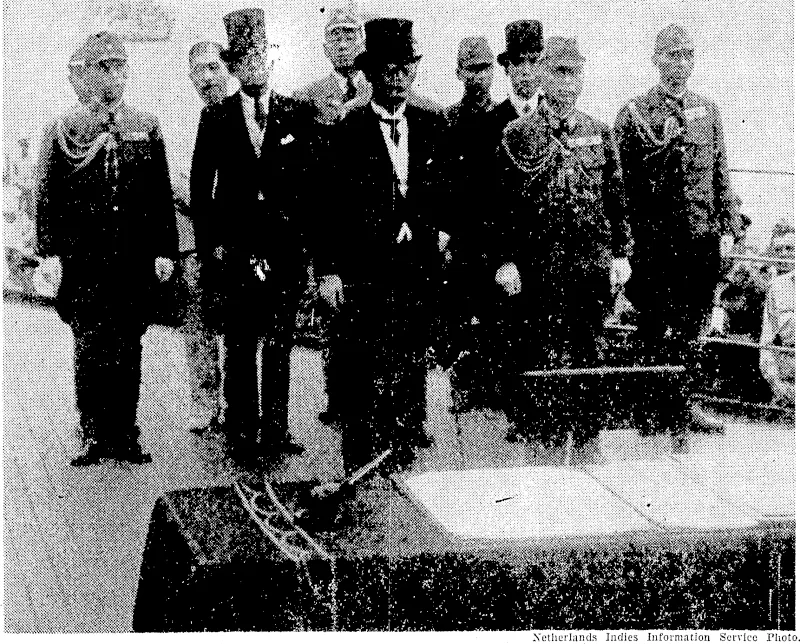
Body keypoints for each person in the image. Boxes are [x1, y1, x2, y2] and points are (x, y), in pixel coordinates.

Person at [35, 31, 178, 466]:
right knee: (89, 346)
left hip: (132, 259)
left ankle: (125, 433)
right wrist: (50, 253)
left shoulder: (145, 124)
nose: (114, 77)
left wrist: (165, 250)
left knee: (129, 344)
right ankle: (93, 433)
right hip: (85, 261)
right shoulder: (65, 128)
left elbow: (159, 193)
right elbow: (48, 196)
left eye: (120, 67)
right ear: (87, 75)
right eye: (104, 67)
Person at [313, 17, 447, 475]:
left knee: (410, 362)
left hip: (416, 267)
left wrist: (436, 229)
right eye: (387, 69)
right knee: (362, 368)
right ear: (369, 74)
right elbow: (326, 206)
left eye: (405, 68)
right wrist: (328, 271)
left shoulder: (432, 123)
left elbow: (446, 188)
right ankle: (361, 467)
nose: (397, 78)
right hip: (364, 272)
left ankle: (405, 462)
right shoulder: (346, 129)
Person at [489, 37, 632, 447]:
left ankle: (586, 434)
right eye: (560, 73)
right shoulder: (518, 134)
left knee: (589, 348)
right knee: (538, 348)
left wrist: (621, 253)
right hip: (538, 266)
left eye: (575, 73)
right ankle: (539, 436)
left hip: (589, 265)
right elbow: (499, 207)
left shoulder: (599, 133)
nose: (568, 83)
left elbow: (616, 199)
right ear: (542, 75)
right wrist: (505, 261)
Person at [190, 8, 308, 470]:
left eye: (260, 57)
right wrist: (211, 247)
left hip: (284, 248)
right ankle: (241, 432)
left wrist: (304, 248)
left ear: (271, 61)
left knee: (279, 342)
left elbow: (309, 186)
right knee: (239, 342)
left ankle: (276, 430)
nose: (253, 67)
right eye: (243, 60)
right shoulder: (216, 117)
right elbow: (201, 189)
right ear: (234, 68)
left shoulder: (296, 113)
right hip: (236, 249)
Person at [614, 24, 743, 435]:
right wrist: (625, 243)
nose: (680, 64)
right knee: (653, 324)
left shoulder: (708, 111)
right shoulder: (634, 112)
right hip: (655, 242)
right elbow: (621, 184)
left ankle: (684, 405)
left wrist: (728, 227)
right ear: (656, 60)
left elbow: (720, 173)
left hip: (700, 238)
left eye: (687, 55)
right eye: (672, 55)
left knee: (692, 325)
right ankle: (648, 409)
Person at [181, 41, 233, 434]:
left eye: (213, 67)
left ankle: (238, 401)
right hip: (194, 238)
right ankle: (205, 401)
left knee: (238, 322)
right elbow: (180, 185)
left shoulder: (245, 113)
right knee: (198, 322)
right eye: (198, 70)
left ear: (227, 69)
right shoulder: (188, 121)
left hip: (235, 238)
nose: (206, 78)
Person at [759, 224, 795, 407]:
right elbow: (767, 340)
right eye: (778, 250)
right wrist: (775, 383)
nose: (783, 254)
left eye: (790, 248)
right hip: (788, 374)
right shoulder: (775, 287)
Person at [491, 20, 544, 135]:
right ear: (507, 67)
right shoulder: (490, 122)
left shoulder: (555, 116)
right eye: (518, 62)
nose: (526, 71)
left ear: (543, 67)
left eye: (533, 61)